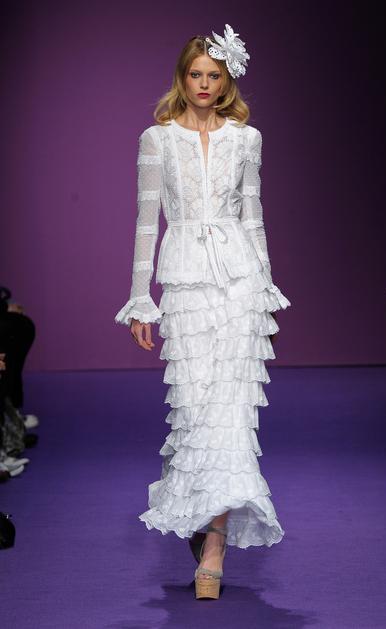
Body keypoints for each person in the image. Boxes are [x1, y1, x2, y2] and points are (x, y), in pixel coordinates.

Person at [115, 23, 291, 599]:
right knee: (193, 410)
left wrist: (266, 288)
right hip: (186, 283)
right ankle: (201, 510)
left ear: (227, 79)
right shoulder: (157, 139)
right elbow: (147, 220)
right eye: (196, 74)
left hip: (240, 282)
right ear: (182, 77)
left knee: (231, 413)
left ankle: (213, 548)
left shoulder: (247, 138)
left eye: (214, 75)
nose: (205, 84)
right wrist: (140, 298)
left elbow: (253, 216)